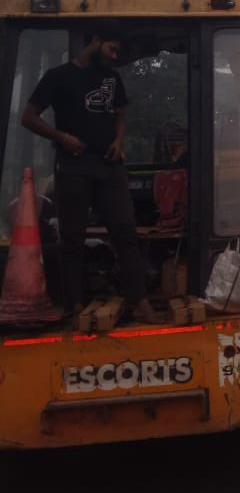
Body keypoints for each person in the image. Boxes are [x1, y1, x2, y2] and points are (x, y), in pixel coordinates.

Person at [21, 21, 160, 323]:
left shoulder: (111, 77)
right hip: (73, 165)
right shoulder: (58, 77)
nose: (113, 56)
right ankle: (73, 305)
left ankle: (139, 301)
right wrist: (62, 137)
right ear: (96, 40)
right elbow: (28, 117)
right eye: (112, 49)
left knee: (125, 232)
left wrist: (119, 140)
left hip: (109, 167)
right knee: (72, 237)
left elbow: (121, 114)